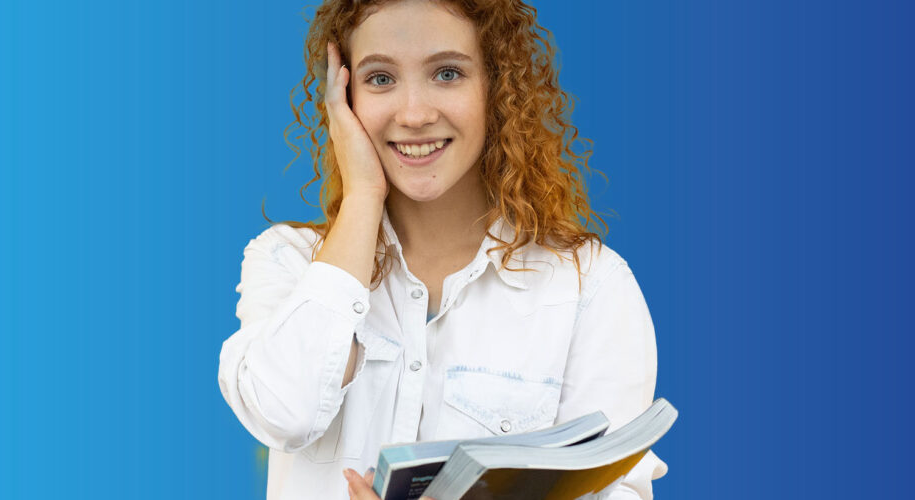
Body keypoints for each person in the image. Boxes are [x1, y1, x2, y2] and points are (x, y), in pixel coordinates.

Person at [217, 0, 666, 498]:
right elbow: (285, 413)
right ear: (343, 96)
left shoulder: (590, 288)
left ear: (495, 88)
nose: (414, 114)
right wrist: (364, 196)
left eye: (447, 73)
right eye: (380, 79)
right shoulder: (289, 261)